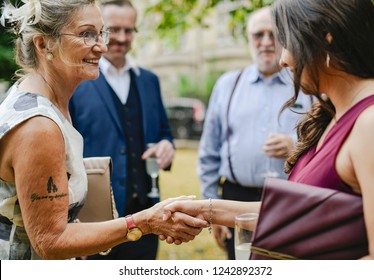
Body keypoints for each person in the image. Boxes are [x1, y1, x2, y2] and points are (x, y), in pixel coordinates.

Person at [162, 0, 374, 260]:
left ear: (326, 39)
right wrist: (205, 210)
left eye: (288, 41)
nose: (283, 59)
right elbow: (298, 216)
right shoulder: (337, 113)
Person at [0, 0, 207, 260]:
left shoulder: (45, 101)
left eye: (101, 33)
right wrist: (145, 223)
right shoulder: (39, 126)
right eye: (87, 34)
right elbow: (51, 241)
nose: (103, 46)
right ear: (44, 44)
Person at [197, 6, 312, 259]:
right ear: (249, 39)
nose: (266, 42)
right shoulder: (227, 85)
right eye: (258, 35)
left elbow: (326, 143)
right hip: (236, 198)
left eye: (274, 34)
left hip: (291, 198)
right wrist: (211, 209)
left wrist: (295, 145)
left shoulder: (307, 84)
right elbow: (209, 154)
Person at [69, 0, 175, 260]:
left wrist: (167, 145)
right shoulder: (76, 80)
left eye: (129, 31)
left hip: (147, 217)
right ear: (100, 31)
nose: (121, 38)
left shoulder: (149, 80)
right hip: (95, 222)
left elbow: (164, 132)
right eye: (113, 30)